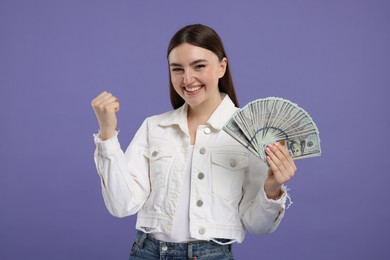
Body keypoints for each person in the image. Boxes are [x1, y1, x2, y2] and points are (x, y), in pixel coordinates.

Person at [91, 24, 296, 260]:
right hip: (147, 252)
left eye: (199, 66)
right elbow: (122, 205)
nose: (187, 79)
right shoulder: (154, 127)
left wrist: (272, 189)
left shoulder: (250, 134)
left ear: (222, 67)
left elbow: (257, 226)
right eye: (177, 69)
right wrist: (107, 134)